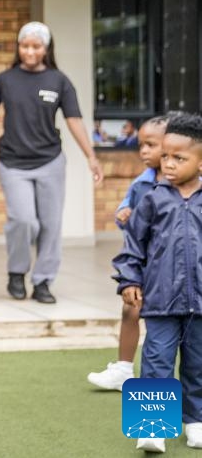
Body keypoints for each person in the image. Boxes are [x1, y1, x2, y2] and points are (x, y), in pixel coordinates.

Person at [0, 21, 103, 304]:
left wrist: (91, 156)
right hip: (13, 162)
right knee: (23, 220)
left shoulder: (59, 81)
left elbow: (74, 120)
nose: (29, 51)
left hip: (50, 162)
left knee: (50, 224)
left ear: (46, 48)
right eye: (24, 45)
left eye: (35, 46)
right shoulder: (5, 80)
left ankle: (43, 282)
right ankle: (16, 272)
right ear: (18, 47)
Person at [112, 112, 202, 453]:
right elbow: (133, 246)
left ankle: (196, 422)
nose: (169, 163)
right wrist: (129, 280)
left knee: (198, 365)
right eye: (165, 155)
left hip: (201, 303)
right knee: (156, 361)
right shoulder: (152, 198)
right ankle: (150, 427)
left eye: (179, 157)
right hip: (161, 301)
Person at [87, 114, 169, 392]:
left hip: (178, 269)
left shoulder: (191, 184)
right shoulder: (140, 184)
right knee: (131, 310)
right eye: (141, 145)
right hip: (146, 264)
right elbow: (128, 224)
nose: (143, 151)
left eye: (150, 145)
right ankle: (124, 370)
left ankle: (191, 416)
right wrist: (125, 216)